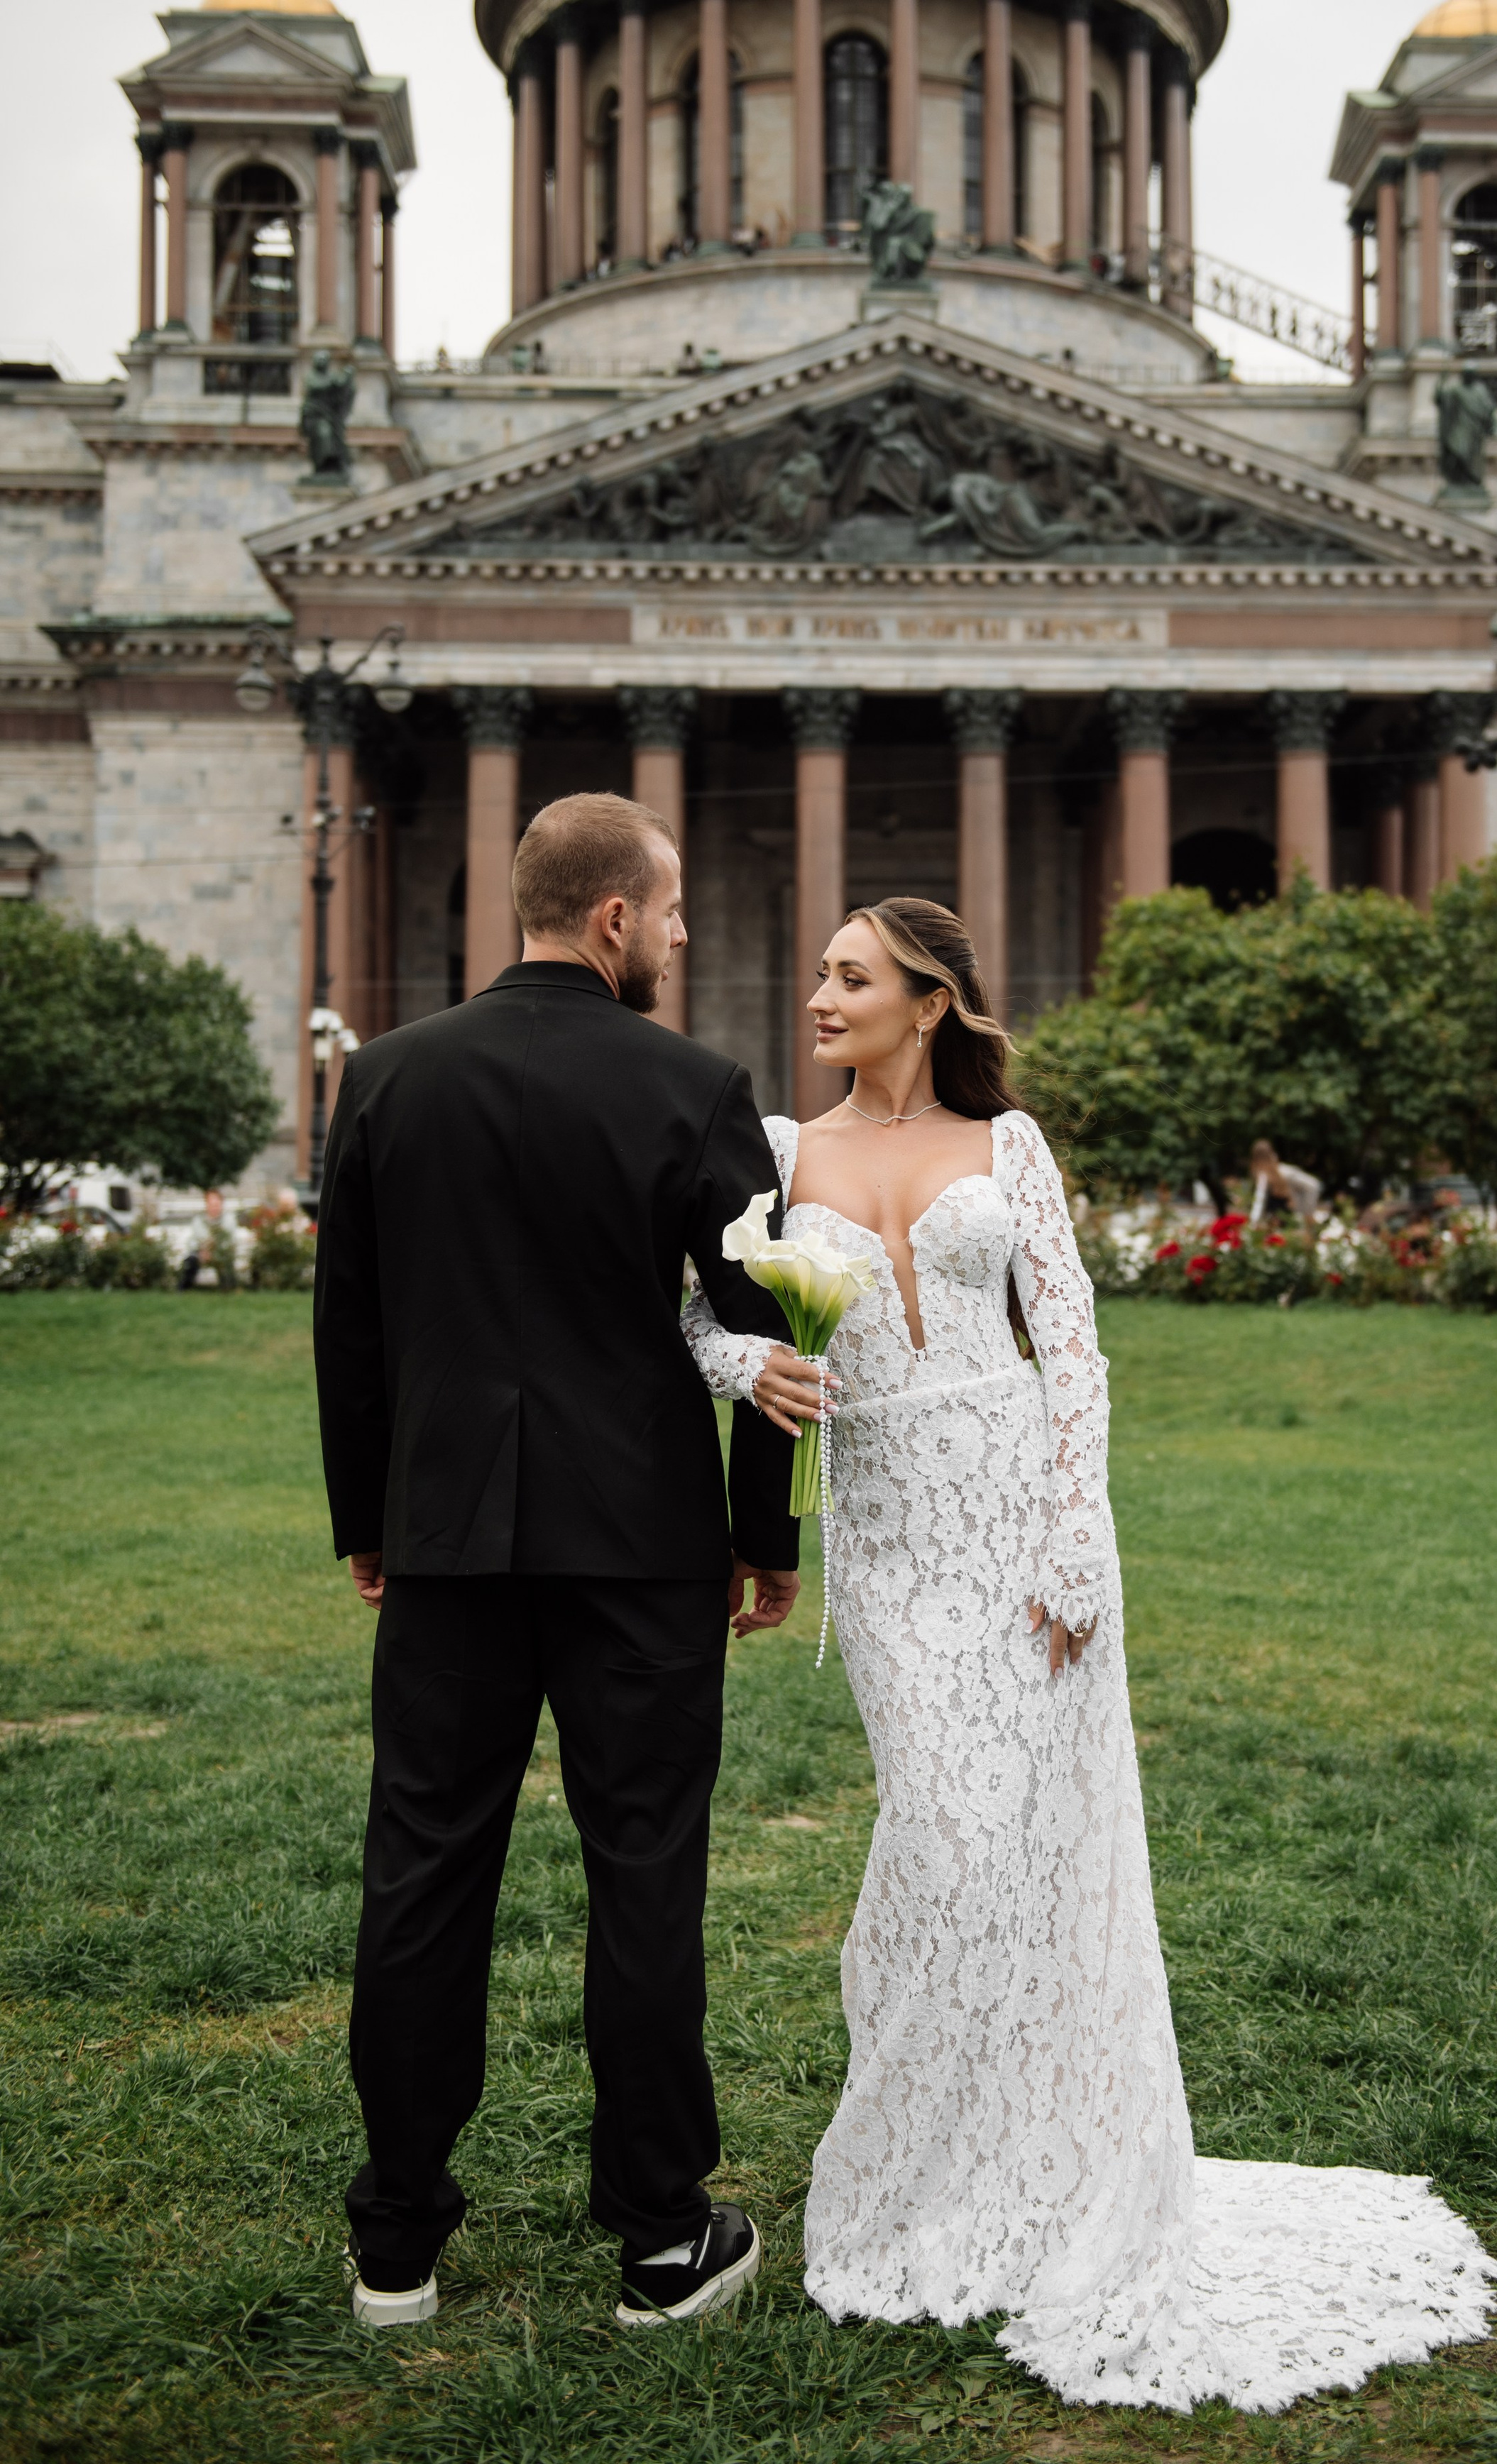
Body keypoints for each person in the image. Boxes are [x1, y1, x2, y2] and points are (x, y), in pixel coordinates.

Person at [681, 898, 1497, 2411]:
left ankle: (1048, 2160)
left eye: (848, 977)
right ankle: (910, 2169)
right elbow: (688, 1313)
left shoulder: (1014, 1148)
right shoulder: (782, 1159)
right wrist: (754, 1360)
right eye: (816, 974)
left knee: (1038, 1846)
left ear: (926, 1001)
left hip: (1024, 1520)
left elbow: (1071, 1345)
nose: (817, 995)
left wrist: (1075, 1538)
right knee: (944, 1833)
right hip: (886, 1535)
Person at [312, 793, 823, 2335]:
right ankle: (664, 2238)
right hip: (644, 1548)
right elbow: (759, 1327)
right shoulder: (696, 1085)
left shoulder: (389, 1077)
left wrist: (366, 1520)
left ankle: (396, 2242)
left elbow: (351, 1325)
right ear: (612, 918)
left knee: (420, 1873)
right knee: (644, 1876)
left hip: (449, 1536)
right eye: (667, 915)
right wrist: (760, 1535)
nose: (678, 936)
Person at [1248, 1138, 1322, 1226]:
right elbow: (1259, 1204)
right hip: (1275, 1222)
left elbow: (1313, 1185)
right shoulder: (1262, 1177)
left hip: (1294, 1220)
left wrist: (1308, 1213)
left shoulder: (1285, 1173)